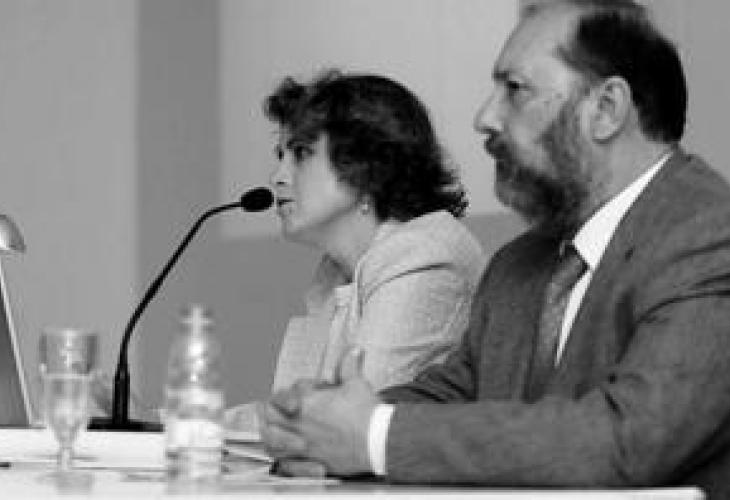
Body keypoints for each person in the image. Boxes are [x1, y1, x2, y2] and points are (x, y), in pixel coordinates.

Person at [258, 1, 730, 498]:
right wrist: (319, 427)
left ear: (606, 109)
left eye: (515, 89)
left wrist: (374, 436)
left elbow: (632, 439)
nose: (484, 118)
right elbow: (455, 394)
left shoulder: (710, 235)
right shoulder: (517, 264)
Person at [226, 70, 485, 430]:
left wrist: (199, 427)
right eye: (280, 155)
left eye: (300, 154)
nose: (277, 177)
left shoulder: (424, 256)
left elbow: (344, 424)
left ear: (366, 168)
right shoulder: (334, 274)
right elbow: (293, 414)